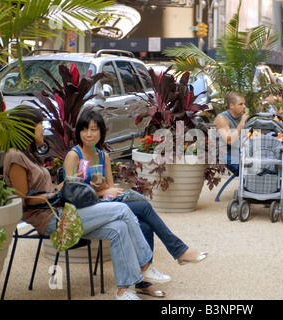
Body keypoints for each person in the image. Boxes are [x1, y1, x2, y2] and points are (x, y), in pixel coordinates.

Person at [3, 106, 166, 300]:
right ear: (28, 128)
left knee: (118, 227)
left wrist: (64, 186)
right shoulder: (15, 157)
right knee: (122, 209)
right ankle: (145, 266)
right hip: (50, 220)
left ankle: (123, 291)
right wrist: (52, 194)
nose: (42, 130)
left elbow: (44, 191)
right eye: (40, 125)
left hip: (62, 213)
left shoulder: (29, 155)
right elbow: (23, 200)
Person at [63, 109, 208, 297]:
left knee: (146, 226)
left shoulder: (102, 156)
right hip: (87, 210)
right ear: (79, 133)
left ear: (101, 132)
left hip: (105, 204)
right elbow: (70, 191)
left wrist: (102, 187)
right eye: (84, 130)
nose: (89, 134)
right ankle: (178, 252)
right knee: (143, 207)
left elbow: (107, 186)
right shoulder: (74, 155)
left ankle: (143, 282)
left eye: (94, 129)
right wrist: (98, 189)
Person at [214, 92, 249, 176]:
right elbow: (229, 140)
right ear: (231, 106)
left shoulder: (243, 118)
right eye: (240, 104)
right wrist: (242, 123)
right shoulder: (221, 118)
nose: (244, 106)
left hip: (241, 150)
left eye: (244, 104)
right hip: (224, 153)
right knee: (246, 168)